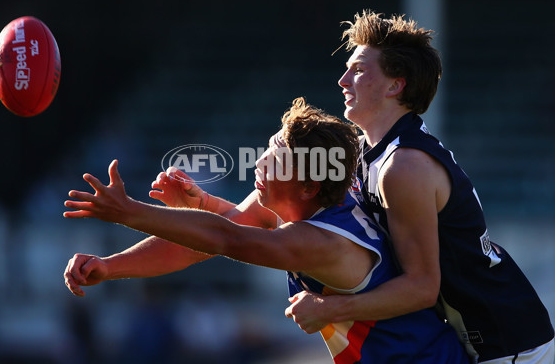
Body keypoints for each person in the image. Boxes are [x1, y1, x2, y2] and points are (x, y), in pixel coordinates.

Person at [63, 98, 468, 363]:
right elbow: (210, 239)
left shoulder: (322, 243)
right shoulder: (305, 202)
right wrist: (109, 265)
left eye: (274, 161)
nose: (258, 166)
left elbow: (226, 239)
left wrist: (128, 212)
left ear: (309, 185)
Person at [283, 11, 554, 363]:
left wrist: (329, 308)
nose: (343, 80)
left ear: (396, 85)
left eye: (359, 70)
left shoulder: (404, 167)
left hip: (509, 344)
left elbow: (421, 288)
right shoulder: (368, 150)